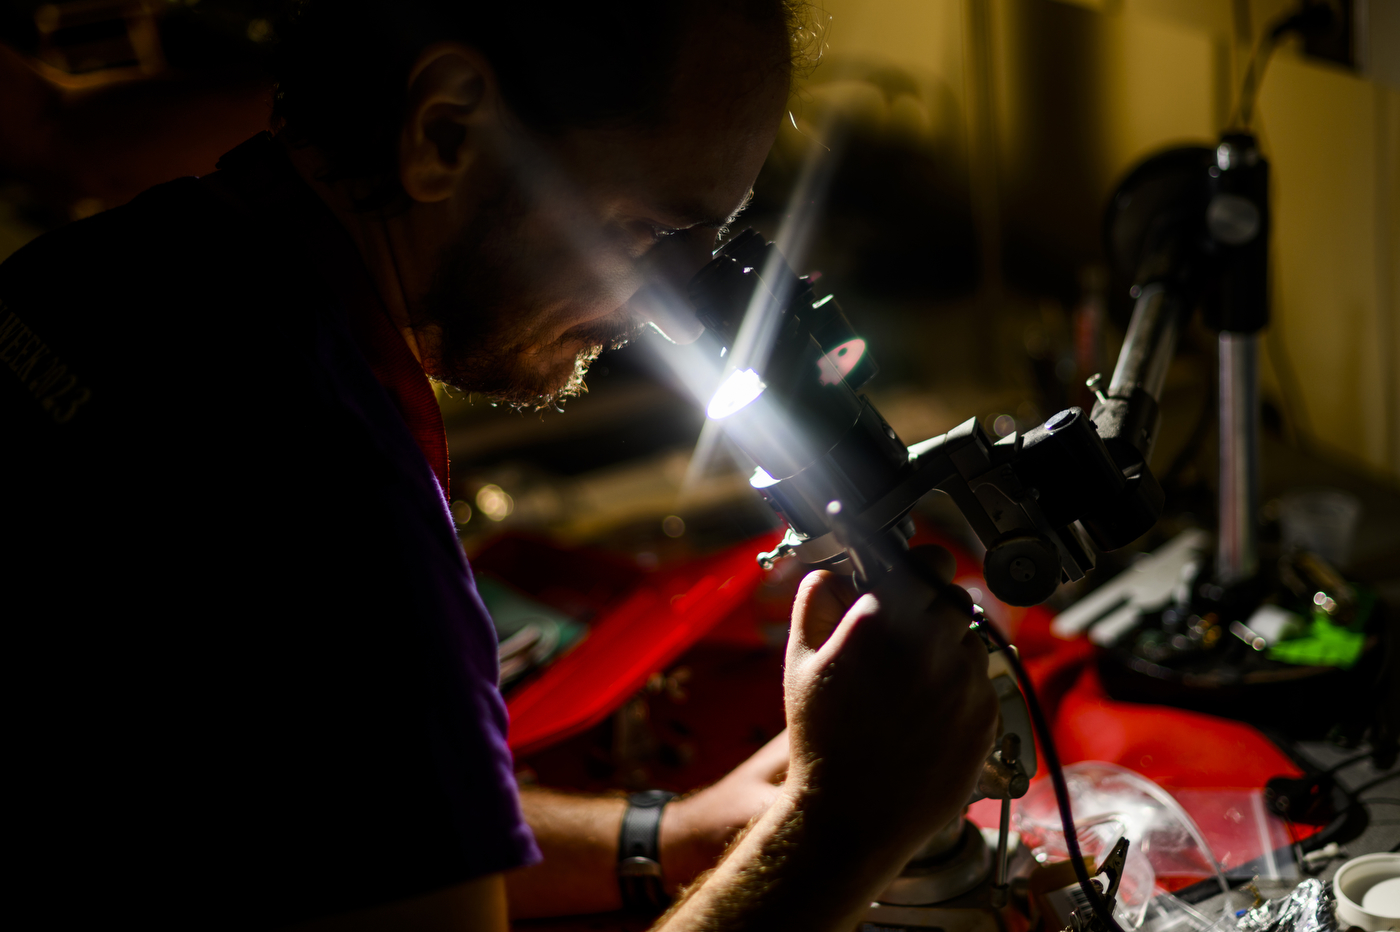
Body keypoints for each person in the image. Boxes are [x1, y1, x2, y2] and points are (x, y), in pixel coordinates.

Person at [1, 1, 997, 929]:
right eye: (646, 226)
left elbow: (367, 826)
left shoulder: (99, 270)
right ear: (444, 130)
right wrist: (838, 828)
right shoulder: (336, 508)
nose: (657, 303)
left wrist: (667, 836)